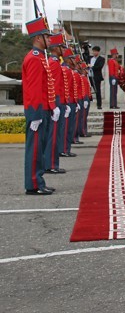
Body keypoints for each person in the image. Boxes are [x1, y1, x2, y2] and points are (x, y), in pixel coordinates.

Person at [22, 16, 58, 195]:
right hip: (37, 110)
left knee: (40, 147)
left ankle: (38, 181)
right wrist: (36, 114)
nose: (50, 40)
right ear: (38, 38)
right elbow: (34, 89)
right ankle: (34, 184)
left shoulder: (41, 58)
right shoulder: (35, 58)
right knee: (35, 149)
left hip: (43, 108)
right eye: (47, 36)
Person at [43, 33, 67, 176]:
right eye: (62, 47)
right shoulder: (53, 63)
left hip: (59, 100)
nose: (64, 50)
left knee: (56, 134)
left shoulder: (55, 62)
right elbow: (50, 85)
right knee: (52, 135)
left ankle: (52, 163)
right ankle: (50, 164)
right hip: (56, 100)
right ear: (56, 48)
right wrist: (53, 104)